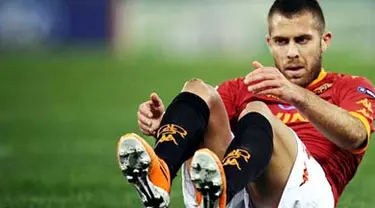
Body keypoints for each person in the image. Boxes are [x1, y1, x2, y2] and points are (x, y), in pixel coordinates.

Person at [116, 0, 375, 207]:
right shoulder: (247, 86)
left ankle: (220, 190)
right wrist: (168, 124)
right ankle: (160, 173)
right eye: (282, 41)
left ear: (324, 41)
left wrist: (296, 94)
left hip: (308, 196)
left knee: (257, 110)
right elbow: (202, 122)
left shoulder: (349, 86)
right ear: (269, 43)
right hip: (246, 192)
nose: (292, 52)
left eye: (302, 40)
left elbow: (356, 135)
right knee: (197, 89)